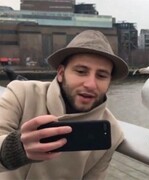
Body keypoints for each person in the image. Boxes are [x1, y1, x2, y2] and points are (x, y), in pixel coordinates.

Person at [0, 30, 129, 179]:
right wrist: (15, 149)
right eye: (81, 71)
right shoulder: (21, 93)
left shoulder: (112, 132)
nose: (91, 84)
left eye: (101, 76)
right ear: (61, 73)